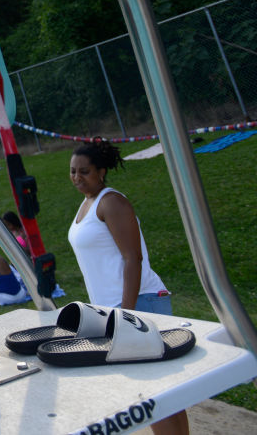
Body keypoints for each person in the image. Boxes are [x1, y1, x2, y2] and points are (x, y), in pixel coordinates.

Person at [68, 139, 188, 435]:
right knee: (155, 390)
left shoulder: (111, 201)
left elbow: (132, 258)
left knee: (152, 392)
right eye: (72, 171)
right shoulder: (87, 204)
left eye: (84, 171)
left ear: (102, 171)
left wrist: (128, 315)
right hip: (115, 308)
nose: (77, 177)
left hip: (138, 303)